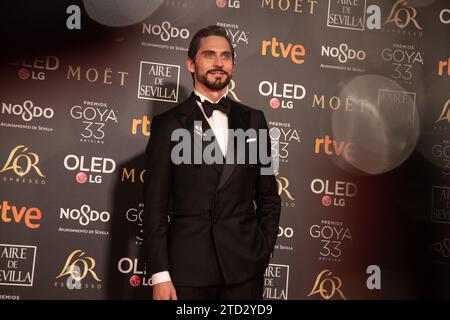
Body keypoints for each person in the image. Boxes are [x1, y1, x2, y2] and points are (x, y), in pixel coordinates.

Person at [143, 25, 281, 300]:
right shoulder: (168, 124)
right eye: (209, 55)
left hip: (243, 269)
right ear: (192, 64)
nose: (219, 63)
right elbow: (155, 206)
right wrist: (160, 274)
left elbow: (268, 195)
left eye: (226, 56)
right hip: (187, 269)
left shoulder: (255, 120)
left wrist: (261, 253)